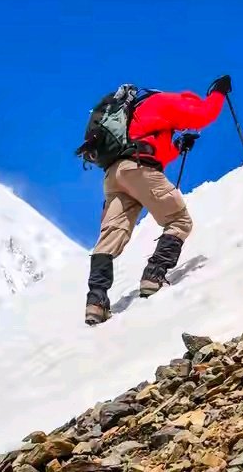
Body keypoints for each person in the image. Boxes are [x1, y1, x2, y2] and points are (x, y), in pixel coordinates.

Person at [84, 75, 231, 325]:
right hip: (138, 169)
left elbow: (149, 151)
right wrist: (218, 93)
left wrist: (176, 147)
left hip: (114, 176)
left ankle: (96, 301)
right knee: (179, 220)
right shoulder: (165, 101)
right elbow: (203, 115)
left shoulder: (132, 114)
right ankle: (154, 275)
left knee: (112, 235)